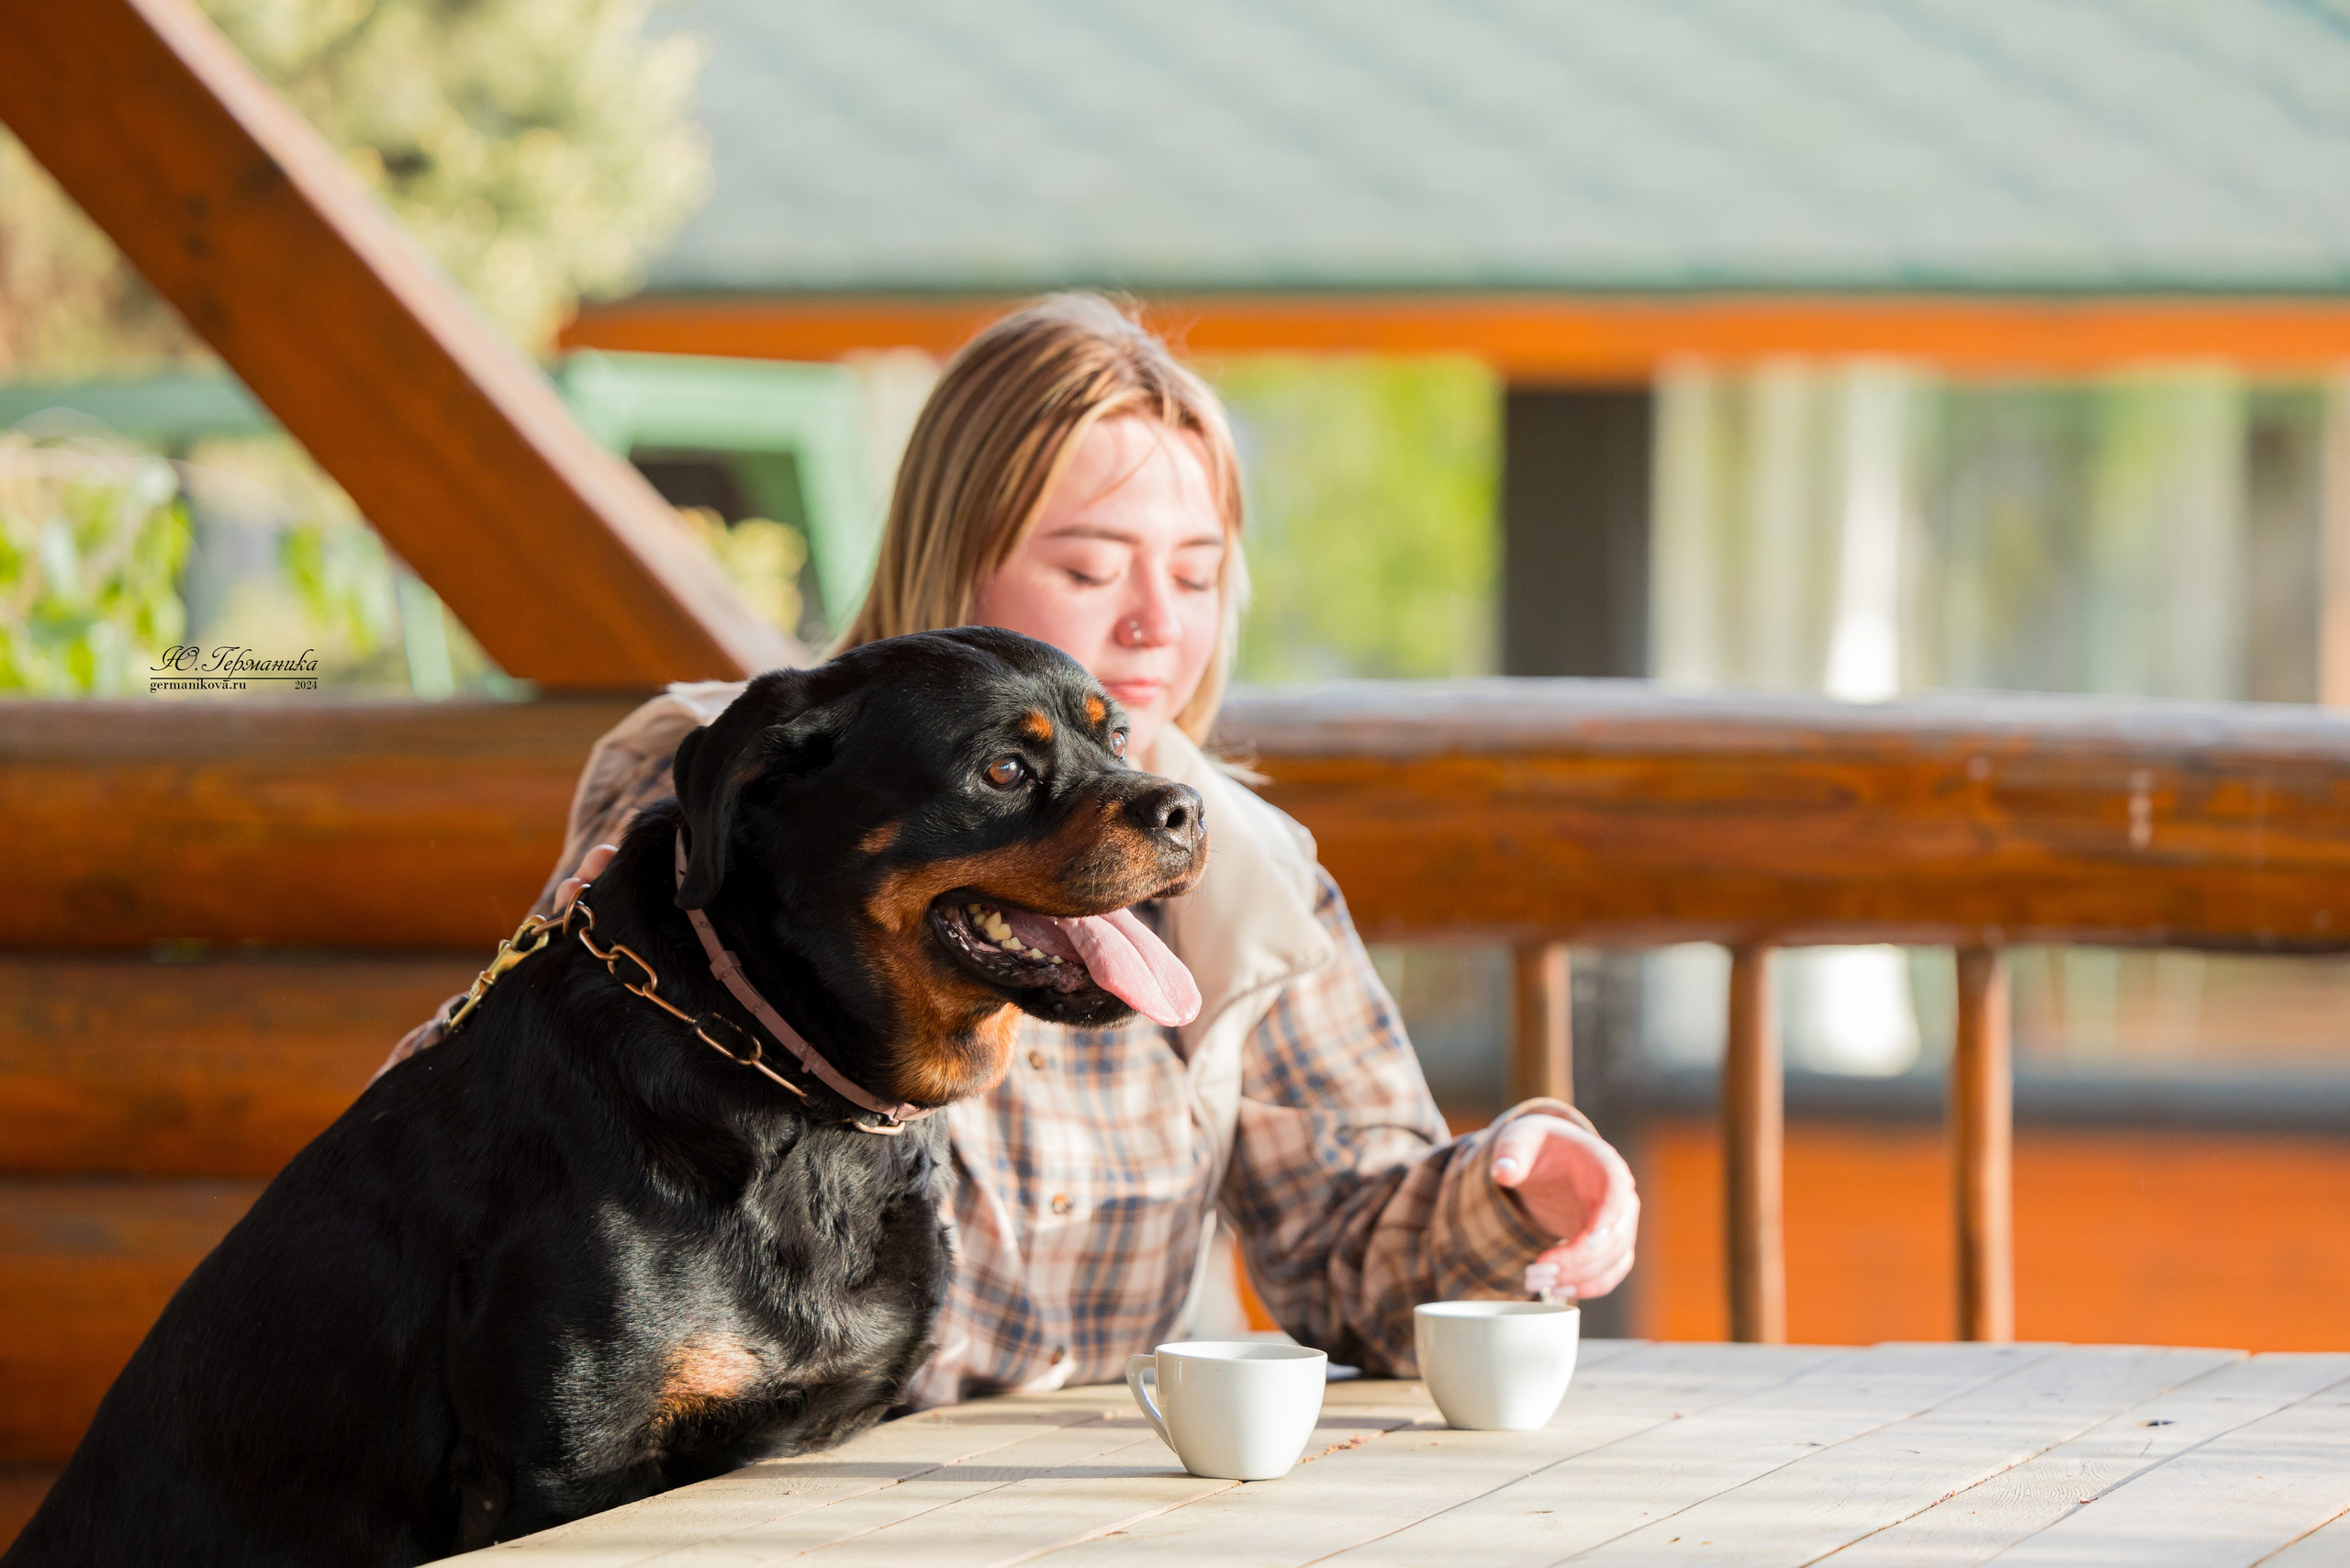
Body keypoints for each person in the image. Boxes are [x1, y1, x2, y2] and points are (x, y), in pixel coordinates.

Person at [380, 294, 1638, 1406]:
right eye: (1092, 567)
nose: (1154, 624)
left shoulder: (1235, 866)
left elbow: (1342, 1250)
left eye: (1197, 577)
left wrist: (1514, 1193)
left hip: (1086, 1506)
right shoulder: (755, 790)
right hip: (775, 1496)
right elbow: (524, 1133)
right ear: (953, 561)